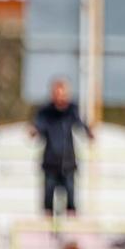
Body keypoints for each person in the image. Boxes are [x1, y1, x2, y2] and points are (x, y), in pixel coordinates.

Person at [31, 78, 92, 216]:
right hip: (50, 163)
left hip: (68, 163)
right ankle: (46, 233)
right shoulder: (45, 112)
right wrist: (33, 131)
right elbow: (37, 127)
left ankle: (72, 230)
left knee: (71, 200)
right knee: (47, 201)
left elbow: (81, 126)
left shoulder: (72, 110)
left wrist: (89, 133)